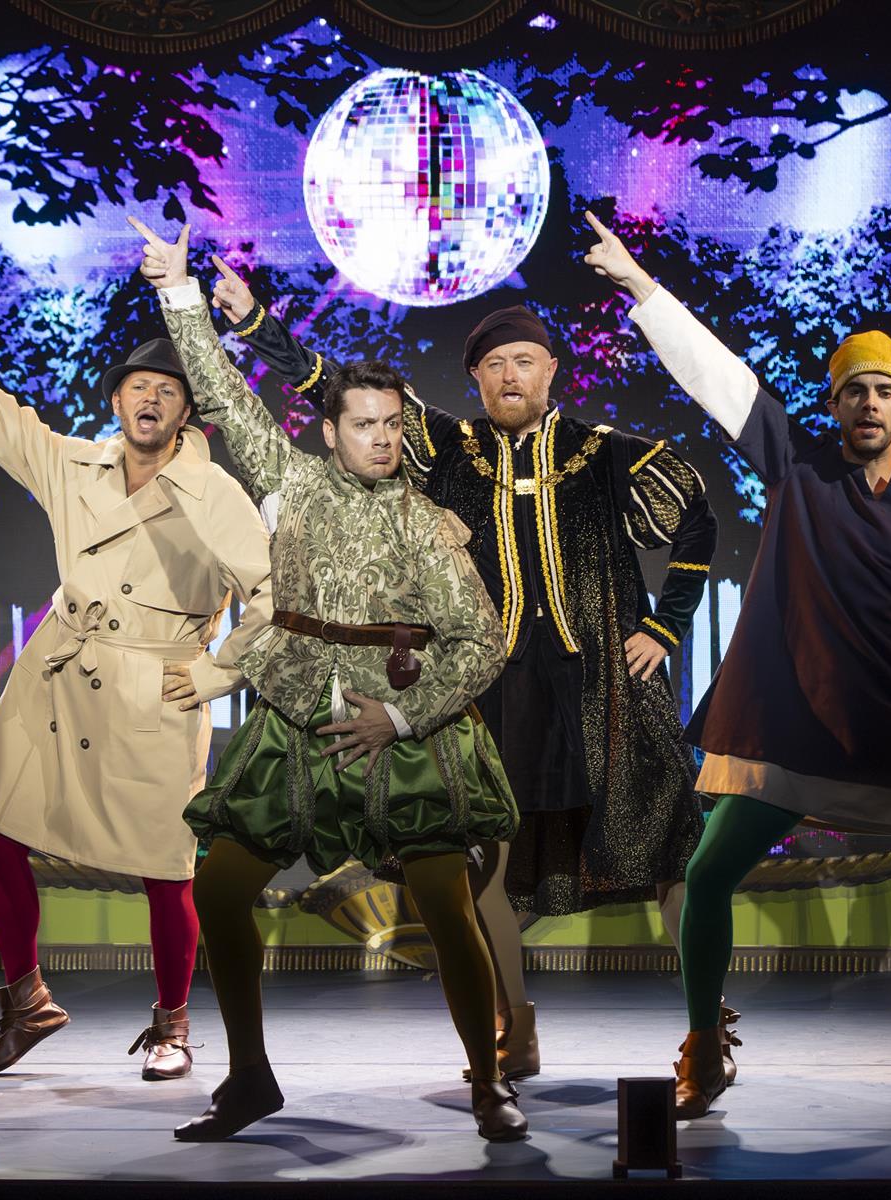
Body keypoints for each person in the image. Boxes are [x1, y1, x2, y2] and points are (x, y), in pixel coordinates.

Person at [579, 214, 891, 1119]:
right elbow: (719, 379)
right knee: (708, 877)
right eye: (854, 392)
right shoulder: (798, 470)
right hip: (789, 724)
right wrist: (641, 287)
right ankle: (702, 1047)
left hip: (887, 728)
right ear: (833, 408)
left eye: (885, 392)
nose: (869, 405)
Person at [208, 254, 721, 1083]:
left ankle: (704, 1028)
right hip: (492, 686)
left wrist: (665, 625)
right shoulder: (450, 448)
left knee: (664, 847)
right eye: (493, 364)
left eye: (524, 361)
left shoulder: (605, 453)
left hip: (605, 684)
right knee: (486, 857)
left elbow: (696, 515)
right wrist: (252, 322)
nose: (509, 376)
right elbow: (333, 389)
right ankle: (512, 1020)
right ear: (474, 378)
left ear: (551, 370)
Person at [129, 219, 525, 1142]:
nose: (382, 440)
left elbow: (482, 642)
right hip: (297, 718)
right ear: (330, 431)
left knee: (446, 905)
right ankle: (249, 1078)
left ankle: (486, 1080)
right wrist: (178, 293)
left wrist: (402, 715)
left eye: (392, 425)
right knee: (219, 891)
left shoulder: (425, 523)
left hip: (402, 730)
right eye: (364, 425)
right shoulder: (294, 483)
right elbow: (220, 392)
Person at [0, 283, 273, 1081]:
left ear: (187, 412)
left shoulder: (213, 492)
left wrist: (214, 673)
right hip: (58, 675)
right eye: (137, 387)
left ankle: (171, 1025)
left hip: (153, 686)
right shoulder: (75, 464)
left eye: (167, 391)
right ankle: (26, 1002)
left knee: (165, 869)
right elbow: (0, 422)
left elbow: (272, 595)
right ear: (115, 400)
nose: (149, 400)